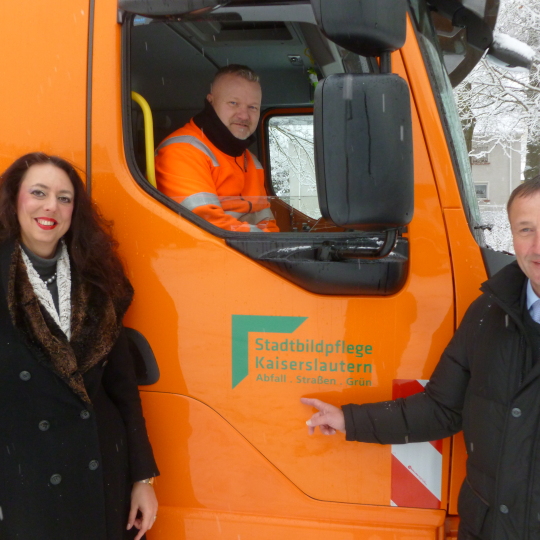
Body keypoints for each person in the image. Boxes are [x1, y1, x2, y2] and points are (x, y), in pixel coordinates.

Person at [302, 176, 540, 540]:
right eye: (526, 229)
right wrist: (350, 419)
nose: (537, 246)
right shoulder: (489, 312)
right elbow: (443, 408)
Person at [0, 152, 159, 540]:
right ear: (14, 200)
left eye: (64, 197)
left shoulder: (99, 277)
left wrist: (143, 478)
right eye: (38, 192)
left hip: (100, 471)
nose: (51, 206)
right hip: (23, 477)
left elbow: (123, 389)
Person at [155, 64, 279, 232]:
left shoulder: (252, 161)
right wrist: (263, 242)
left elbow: (268, 224)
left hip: (244, 253)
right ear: (211, 102)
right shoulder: (181, 151)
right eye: (233, 103)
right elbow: (205, 226)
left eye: (252, 107)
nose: (244, 115)